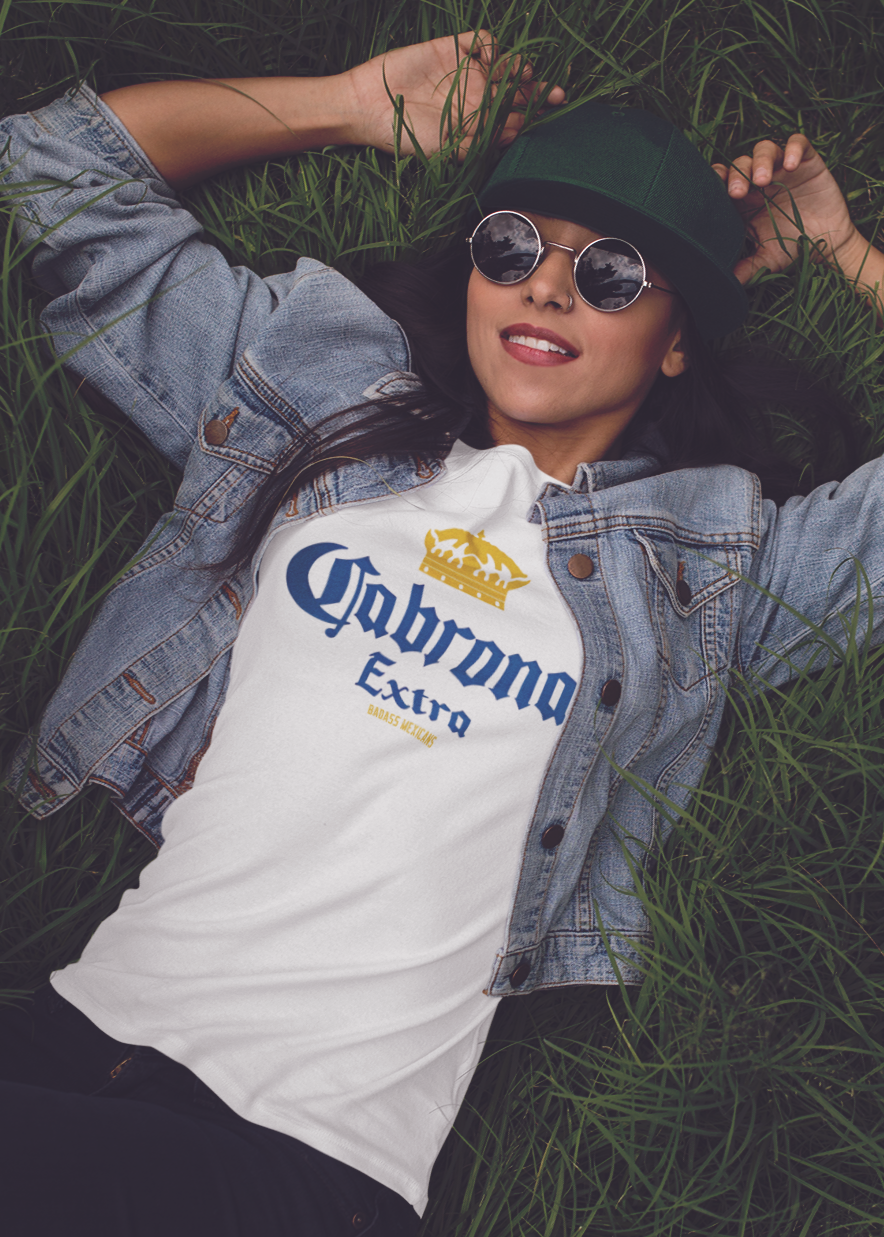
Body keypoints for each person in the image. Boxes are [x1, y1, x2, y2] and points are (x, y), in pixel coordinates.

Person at [1, 28, 882, 1237]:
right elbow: (58, 170)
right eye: (513, 246)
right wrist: (348, 104)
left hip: (301, 1158)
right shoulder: (319, 400)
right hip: (73, 1031)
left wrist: (846, 253)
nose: (548, 285)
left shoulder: (717, 571)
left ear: (674, 340)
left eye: (615, 272)